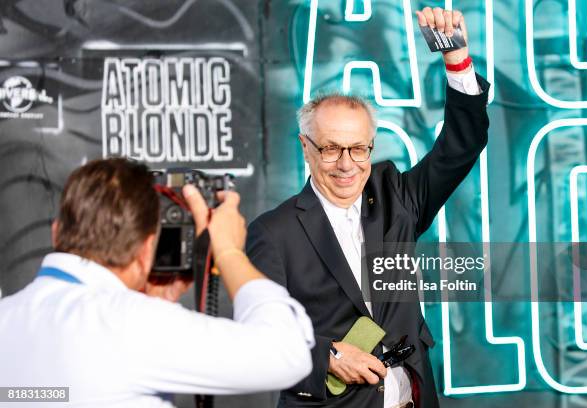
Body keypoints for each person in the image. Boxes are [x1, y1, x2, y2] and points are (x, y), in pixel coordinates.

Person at [246, 7, 490, 408]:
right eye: (330, 149)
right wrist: (325, 355)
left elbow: (460, 148)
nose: (347, 164)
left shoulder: (397, 197)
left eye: (359, 148)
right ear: (305, 147)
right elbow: (258, 337)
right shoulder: (274, 233)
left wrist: (455, 58)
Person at [0, 158, 314, 407]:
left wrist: (157, 303)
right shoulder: (129, 323)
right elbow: (288, 353)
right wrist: (229, 250)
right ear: (147, 248)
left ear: (56, 232)